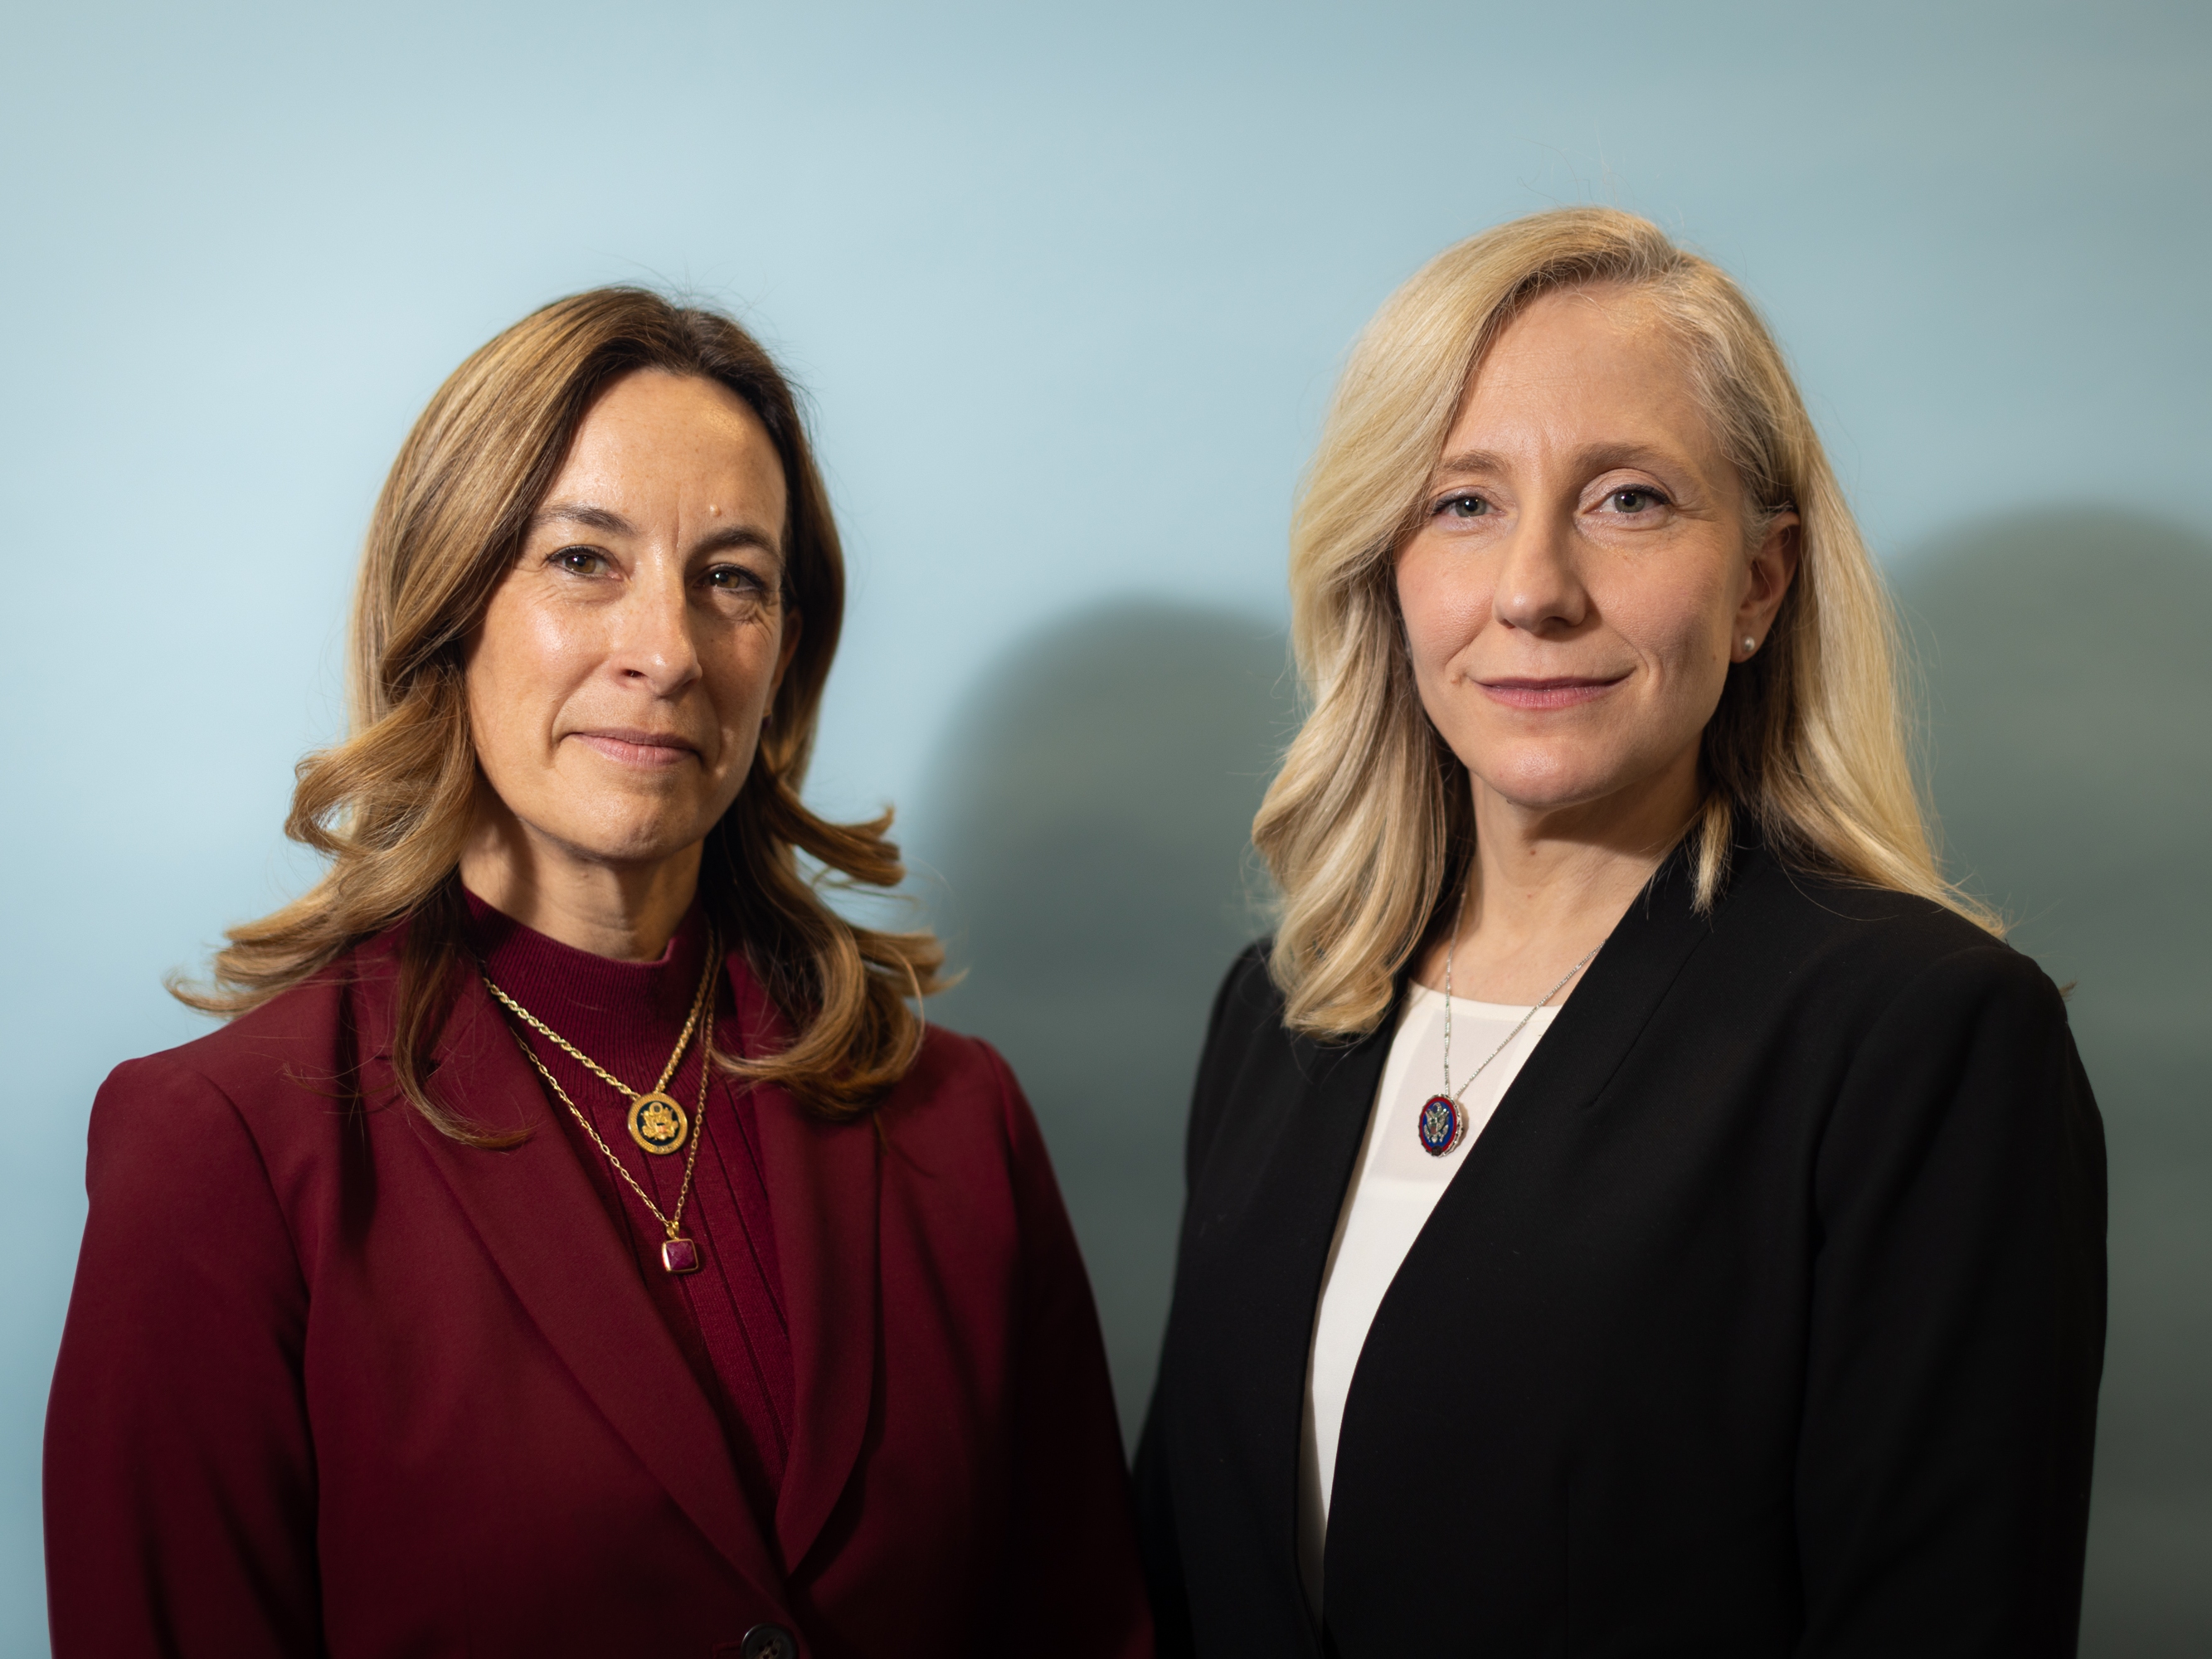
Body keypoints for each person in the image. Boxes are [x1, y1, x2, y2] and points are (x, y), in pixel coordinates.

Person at [45, 289, 1150, 1659]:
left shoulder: (961, 1124)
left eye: (732, 578)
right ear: (453, 608)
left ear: (783, 656)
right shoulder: (220, 1154)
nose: (668, 651)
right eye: (583, 560)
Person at [1135, 207, 2105, 1656]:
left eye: (1629, 499)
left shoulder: (1924, 1041)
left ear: (1760, 585)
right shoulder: (1284, 1013)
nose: (1533, 589)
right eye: (1462, 503)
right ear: (1386, 569)